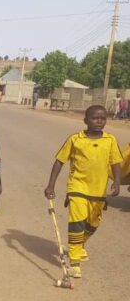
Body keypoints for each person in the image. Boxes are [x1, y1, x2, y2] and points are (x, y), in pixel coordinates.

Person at [44, 105, 122, 279]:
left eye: (103, 118)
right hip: (77, 188)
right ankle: (75, 262)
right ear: (85, 120)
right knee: (77, 223)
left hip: (98, 191)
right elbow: (59, 162)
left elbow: (115, 162)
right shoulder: (75, 139)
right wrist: (51, 185)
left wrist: (116, 182)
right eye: (95, 118)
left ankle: (79, 246)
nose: (99, 121)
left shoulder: (110, 140)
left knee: (93, 225)